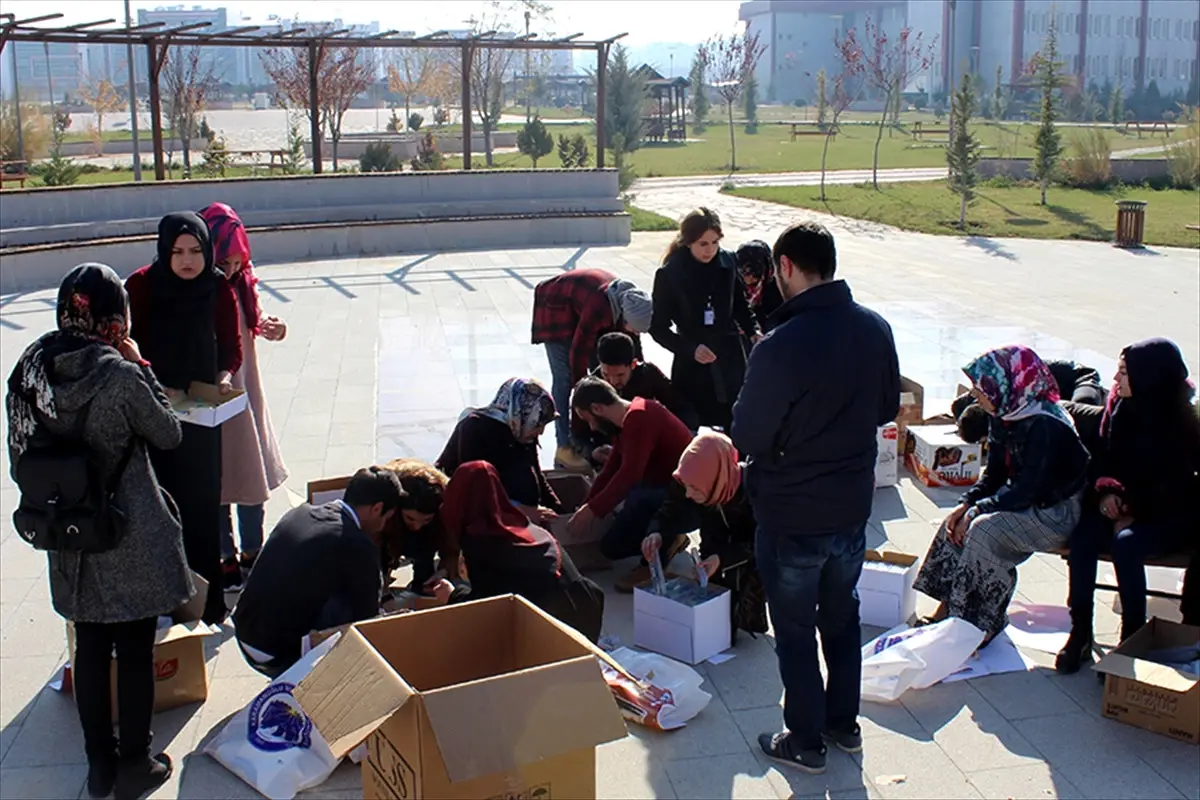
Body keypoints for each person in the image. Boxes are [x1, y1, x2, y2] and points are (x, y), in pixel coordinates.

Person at [6, 263, 191, 800]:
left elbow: (22, 457)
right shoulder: (120, 373)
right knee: (133, 647)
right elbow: (169, 433)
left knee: (89, 646)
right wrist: (142, 365)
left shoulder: (31, 369)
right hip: (125, 529)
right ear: (117, 318)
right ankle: (136, 763)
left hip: (68, 531)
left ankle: (99, 766)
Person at [731, 221, 899, 775]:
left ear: (784, 266)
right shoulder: (873, 328)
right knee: (843, 618)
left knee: (797, 630)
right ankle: (843, 725)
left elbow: (749, 436)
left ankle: (804, 739)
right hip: (851, 509)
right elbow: (882, 409)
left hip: (792, 512)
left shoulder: (780, 345)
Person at [915, 346, 1089, 641]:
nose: (976, 395)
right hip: (1022, 499)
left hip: (1054, 511)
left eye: (981, 389)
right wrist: (966, 504)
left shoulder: (1046, 424)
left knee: (984, 531)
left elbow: (1028, 490)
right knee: (955, 522)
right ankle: (948, 610)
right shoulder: (1004, 412)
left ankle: (980, 623)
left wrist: (977, 511)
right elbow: (994, 474)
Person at [1057, 338, 1200, 673]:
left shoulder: (1182, 420)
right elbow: (1101, 459)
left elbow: (1177, 484)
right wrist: (1107, 492)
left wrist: (1133, 508)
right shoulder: (1118, 408)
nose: (1116, 380)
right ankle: (1080, 632)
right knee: (1083, 540)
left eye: (1124, 373)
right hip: (1120, 503)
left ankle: (1131, 639)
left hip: (1168, 513)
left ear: (1149, 377)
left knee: (1127, 545)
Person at [126, 212, 241, 625]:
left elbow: (231, 347)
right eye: (177, 252)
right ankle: (162, 602)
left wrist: (224, 378)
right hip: (152, 412)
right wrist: (154, 382)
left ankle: (206, 603)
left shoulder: (217, 288)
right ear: (163, 250)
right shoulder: (141, 285)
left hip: (200, 420)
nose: (187, 260)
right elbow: (127, 342)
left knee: (201, 507)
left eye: (195, 251)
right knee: (159, 507)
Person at [232, 466, 406, 677]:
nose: (382, 527)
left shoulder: (299, 513)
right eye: (386, 518)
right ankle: (317, 678)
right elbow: (367, 623)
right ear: (377, 509)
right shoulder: (358, 545)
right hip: (277, 653)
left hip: (244, 634)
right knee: (353, 610)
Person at [198, 202, 289, 591]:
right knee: (216, 480)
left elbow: (259, 321)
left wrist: (272, 327)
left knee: (251, 474)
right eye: (224, 263)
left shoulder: (244, 284)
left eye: (236, 262)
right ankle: (224, 557)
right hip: (211, 393)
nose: (230, 270)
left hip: (245, 390)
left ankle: (253, 551)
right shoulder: (195, 291)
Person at [440, 461, 606, 642]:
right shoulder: (524, 525)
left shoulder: (482, 545)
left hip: (552, 631)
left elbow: (486, 609)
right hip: (586, 614)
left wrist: (452, 595)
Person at [568, 376, 695, 591]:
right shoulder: (627, 420)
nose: (592, 428)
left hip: (687, 498)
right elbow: (611, 470)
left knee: (637, 499)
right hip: (666, 489)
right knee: (610, 546)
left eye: (588, 419)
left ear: (597, 408)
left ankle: (654, 561)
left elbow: (629, 474)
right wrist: (587, 505)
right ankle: (670, 538)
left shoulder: (640, 417)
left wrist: (593, 510)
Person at [641, 431, 768, 641]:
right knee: (710, 618)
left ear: (716, 478)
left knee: (737, 621)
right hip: (714, 545)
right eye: (687, 486)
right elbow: (669, 509)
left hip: (749, 555)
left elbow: (762, 541)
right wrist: (656, 532)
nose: (688, 494)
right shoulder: (693, 477)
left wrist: (723, 558)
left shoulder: (757, 491)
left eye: (694, 488)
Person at [530, 268, 654, 470]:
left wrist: (639, 376)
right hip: (556, 307)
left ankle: (599, 438)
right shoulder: (600, 307)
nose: (634, 332)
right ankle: (565, 447)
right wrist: (582, 393)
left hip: (581, 305)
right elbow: (578, 352)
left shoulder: (631, 303)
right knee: (565, 379)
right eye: (632, 327)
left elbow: (632, 348)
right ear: (623, 318)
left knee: (604, 374)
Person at [651, 208, 761, 430]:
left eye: (714, 242)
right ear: (688, 242)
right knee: (691, 425)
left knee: (736, 420)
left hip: (729, 357)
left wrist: (753, 331)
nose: (710, 250)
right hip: (692, 363)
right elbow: (658, 329)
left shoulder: (728, 262)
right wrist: (690, 349)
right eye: (703, 244)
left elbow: (740, 305)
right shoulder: (670, 274)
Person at [436, 378, 564, 524]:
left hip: (515, 512)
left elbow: (536, 473)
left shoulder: (522, 430)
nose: (540, 432)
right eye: (537, 425)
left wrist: (559, 512)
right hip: (479, 517)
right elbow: (474, 490)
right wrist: (518, 510)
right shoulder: (474, 429)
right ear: (519, 413)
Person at [570, 332, 697, 464]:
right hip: (610, 453)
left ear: (633, 364)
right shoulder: (590, 388)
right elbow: (577, 434)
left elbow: (683, 408)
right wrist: (592, 452)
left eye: (620, 375)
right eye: (606, 375)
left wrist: (680, 436)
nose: (613, 381)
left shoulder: (648, 375)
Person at [379, 458, 457, 593]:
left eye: (425, 520)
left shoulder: (445, 510)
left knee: (424, 550)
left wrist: (445, 570)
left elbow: (451, 548)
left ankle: (423, 584)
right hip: (391, 531)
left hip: (427, 536)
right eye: (411, 518)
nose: (417, 526)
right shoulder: (385, 505)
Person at [736, 239, 784, 333]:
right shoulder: (730, 284)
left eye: (754, 282)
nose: (749, 290)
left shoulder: (780, 291)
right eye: (743, 282)